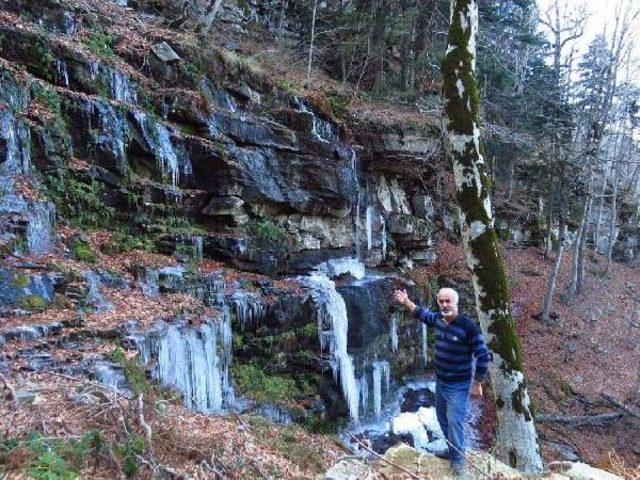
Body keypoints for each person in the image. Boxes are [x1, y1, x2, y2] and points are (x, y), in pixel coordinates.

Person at [393, 287, 490, 475]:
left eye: (448, 301)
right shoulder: (438, 319)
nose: (445, 305)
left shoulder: (469, 328)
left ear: (456, 303)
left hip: (459, 385)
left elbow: (483, 356)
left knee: (455, 421)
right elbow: (422, 314)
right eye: (441, 301)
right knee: (442, 418)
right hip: (441, 382)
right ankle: (452, 448)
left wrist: (477, 383)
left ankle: (459, 458)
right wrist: (406, 301)